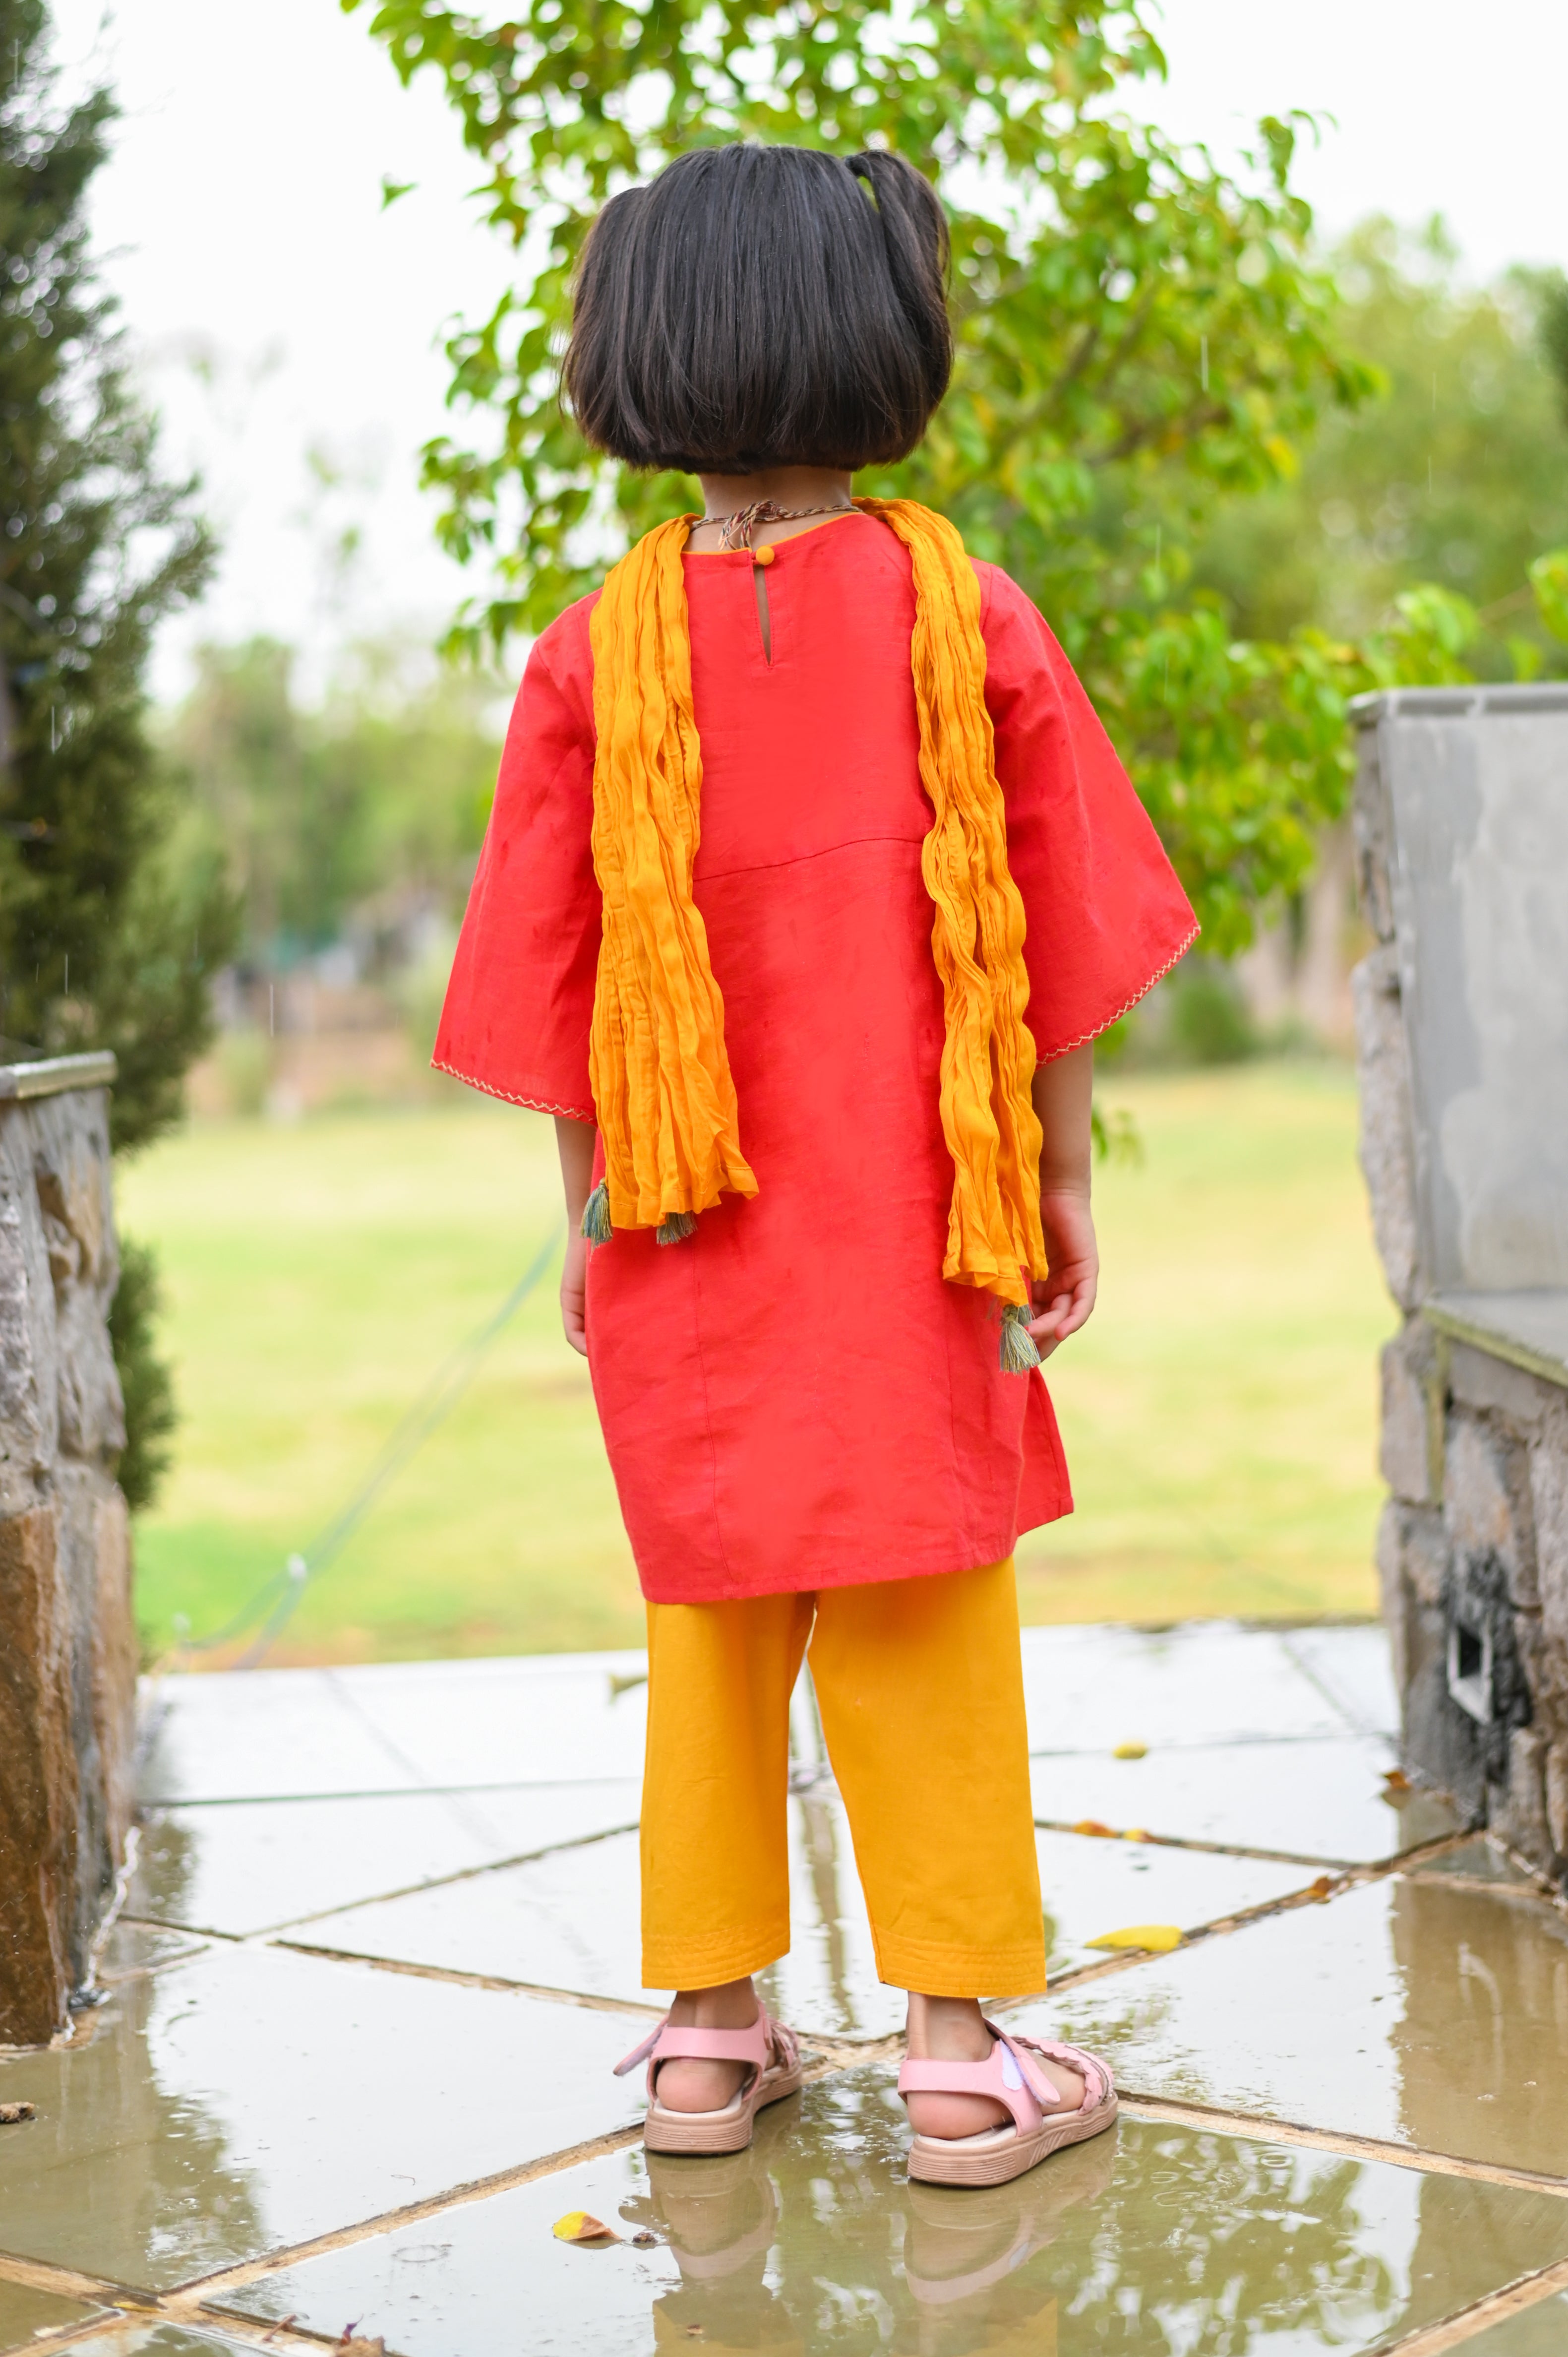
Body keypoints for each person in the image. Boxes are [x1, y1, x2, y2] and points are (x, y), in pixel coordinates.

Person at [435, 141, 1197, 2187]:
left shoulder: (596, 656)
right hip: (915, 1224)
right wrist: (1055, 1182)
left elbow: (553, 980)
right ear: (883, 345)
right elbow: (1045, 943)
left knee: (715, 1601)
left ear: (637, 360)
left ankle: (702, 2039)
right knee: (922, 1596)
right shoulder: (963, 615)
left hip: (683, 1225)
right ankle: (954, 2059)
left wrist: (590, 1219)